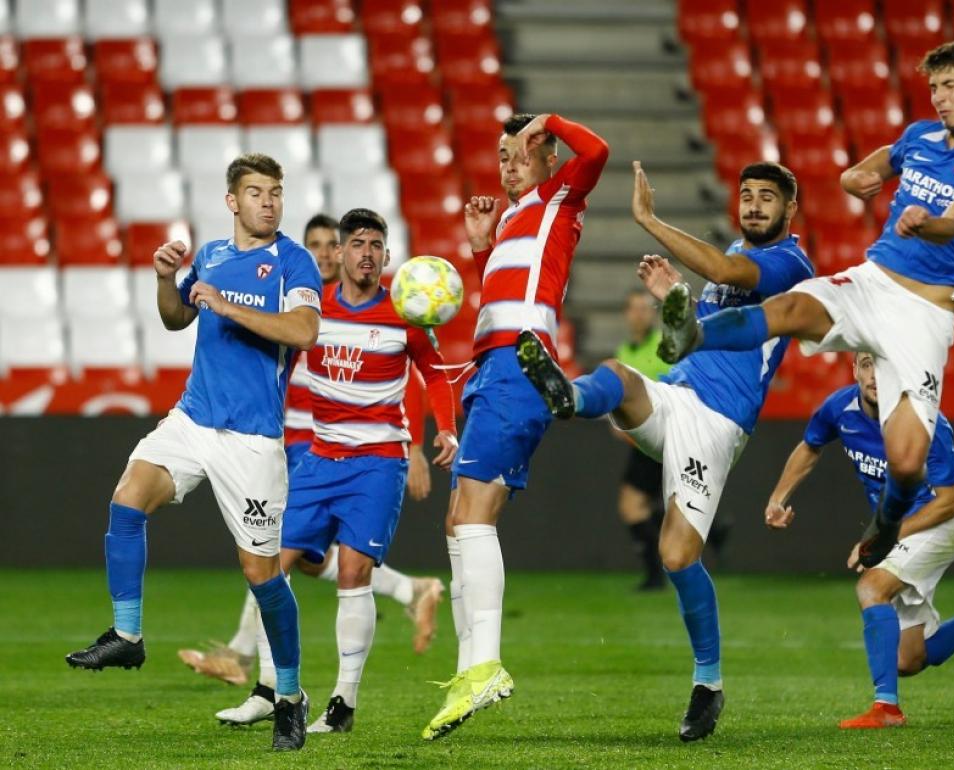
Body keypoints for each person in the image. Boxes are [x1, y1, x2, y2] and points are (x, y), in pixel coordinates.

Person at [655, 39, 954, 572]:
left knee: (908, 461)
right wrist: (857, 178)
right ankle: (693, 334)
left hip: (923, 314)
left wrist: (927, 223)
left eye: (950, 87)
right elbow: (869, 168)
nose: (939, 98)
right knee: (793, 307)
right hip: (873, 282)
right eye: (934, 87)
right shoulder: (920, 136)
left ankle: (889, 523)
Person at [517, 160, 814, 741]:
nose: (754, 206)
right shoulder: (736, 249)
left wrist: (648, 219)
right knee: (618, 375)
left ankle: (709, 684)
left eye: (766, 198)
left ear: (789, 210)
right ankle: (566, 397)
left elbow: (729, 272)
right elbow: (708, 325)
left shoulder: (790, 264)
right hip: (677, 398)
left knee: (677, 556)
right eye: (747, 195)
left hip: (717, 424)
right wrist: (679, 298)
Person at [65, 153, 322, 751]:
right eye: (257, 193)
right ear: (232, 202)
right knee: (127, 499)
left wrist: (227, 305)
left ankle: (288, 695)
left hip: (253, 437)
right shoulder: (210, 255)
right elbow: (179, 317)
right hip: (194, 418)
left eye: (276, 192)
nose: (269, 202)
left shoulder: (293, 260)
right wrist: (163, 280)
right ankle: (127, 636)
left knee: (262, 575)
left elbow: (305, 331)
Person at [210, 208, 457, 734]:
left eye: (375, 244)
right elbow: (277, 363)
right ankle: (271, 692)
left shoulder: (406, 312)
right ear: (339, 254)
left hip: (378, 462)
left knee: (353, 574)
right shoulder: (311, 313)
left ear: (386, 256)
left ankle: (342, 704)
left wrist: (445, 429)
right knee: (270, 567)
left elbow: (435, 375)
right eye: (357, 243)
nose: (366, 252)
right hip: (319, 459)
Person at [420, 112, 609, 740]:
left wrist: (547, 121)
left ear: (549, 157)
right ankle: (468, 667)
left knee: (472, 516)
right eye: (503, 154)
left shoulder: (558, 197)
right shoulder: (511, 221)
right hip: (492, 367)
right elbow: (503, 297)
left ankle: (486, 666)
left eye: (524, 151)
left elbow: (599, 149)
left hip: (517, 367)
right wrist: (481, 249)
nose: (511, 163)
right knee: (458, 519)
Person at [765, 351, 954, 728]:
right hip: (899, 530)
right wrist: (778, 498)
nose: (873, 375)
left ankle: (886, 709)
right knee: (907, 659)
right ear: (854, 368)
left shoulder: (923, 421)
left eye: (882, 365)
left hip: (939, 524)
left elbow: (952, 500)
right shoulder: (840, 408)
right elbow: (810, 446)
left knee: (871, 588)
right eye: (866, 364)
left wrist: (885, 537)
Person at [614, 289, 672, 590]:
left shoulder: (663, 347)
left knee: (632, 505)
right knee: (647, 505)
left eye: (644, 308)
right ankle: (714, 531)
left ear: (652, 313)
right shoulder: (625, 352)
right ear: (626, 314)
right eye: (634, 309)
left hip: (662, 438)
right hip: (640, 442)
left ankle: (655, 576)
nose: (639, 314)